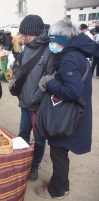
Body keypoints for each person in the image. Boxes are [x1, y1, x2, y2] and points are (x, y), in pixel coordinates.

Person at [35, 17, 94, 199]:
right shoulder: (77, 54)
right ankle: (61, 184)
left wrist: (50, 83)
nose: (51, 44)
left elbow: (73, 91)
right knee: (61, 153)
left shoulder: (69, 57)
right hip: (74, 114)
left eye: (53, 40)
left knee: (59, 155)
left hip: (66, 116)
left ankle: (56, 191)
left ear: (62, 39)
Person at [16, 14, 56, 180]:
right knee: (23, 133)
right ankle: (22, 161)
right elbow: (24, 71)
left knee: (39, 138)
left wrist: (35, 99)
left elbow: (49, 78)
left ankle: (34, 165)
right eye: (22, 35)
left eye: (25, 35)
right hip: (25, 102)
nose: (22, 38)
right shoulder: (26, 47)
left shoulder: (49, 50)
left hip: (38, 105)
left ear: (35, 33)